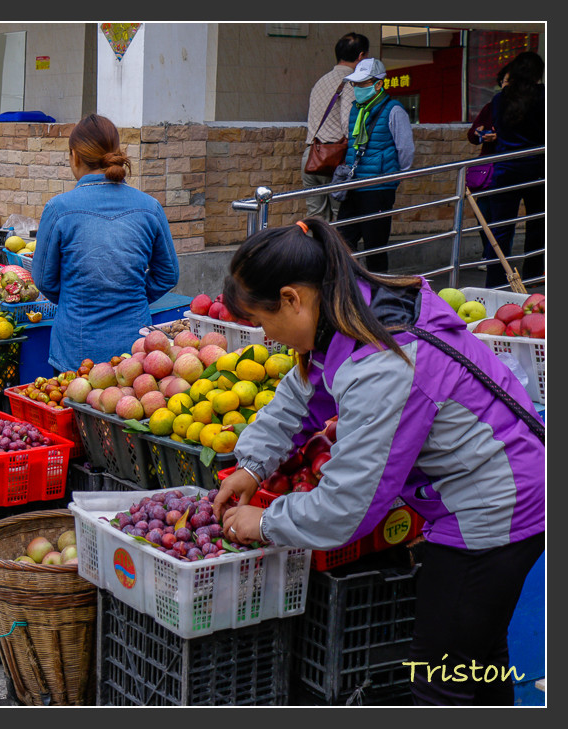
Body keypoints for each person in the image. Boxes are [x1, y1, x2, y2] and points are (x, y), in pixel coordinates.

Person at [211, 217, 544, 706]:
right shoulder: (350, 308)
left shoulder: (383, 359)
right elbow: (301, 394)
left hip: (495, 510)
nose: (270, 338)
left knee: (440, 681)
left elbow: (348, 505)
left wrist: (264, 520)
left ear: (290, 299)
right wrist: (253, 464)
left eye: (263, 323)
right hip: (493, 492)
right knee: (475, 661)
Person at [31, 113, 179, 372]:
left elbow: (44, 281)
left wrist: (76, 298)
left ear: (75, 156)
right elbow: (168, 275)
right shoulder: (149, 208)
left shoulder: (58, 209)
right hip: (135, 354)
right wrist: (130, 294)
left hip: (75, 354)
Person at [335, 57, 414, 274]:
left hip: (378, 188)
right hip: (354, 185)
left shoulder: (394, 110)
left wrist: (392, 178)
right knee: (342, 242)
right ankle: (348, 290)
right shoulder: (356, 108)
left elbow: (405, 150)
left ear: (379, 84)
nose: (357, 88)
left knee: (375, 247)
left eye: (362, 84)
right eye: (355, 84)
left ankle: (378, 294)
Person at [482, 51, 544, 287]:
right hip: (537, 167)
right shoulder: (544, 96)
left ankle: (495, 279)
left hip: (505, 167)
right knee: (537, 224)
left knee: (500, 228)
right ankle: (533, 277)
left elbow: (498, 128)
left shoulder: (500, 98)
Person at [303, 32, 368, 221]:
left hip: (311, 156)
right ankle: (336, 251)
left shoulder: (320, 82)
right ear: (361, 56)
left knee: (315, 219)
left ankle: (314, 251)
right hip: (334, 158)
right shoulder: (351, 83)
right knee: (341, 218)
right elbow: (349, 124)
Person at [465, 61, 512, 221]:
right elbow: (472, 134)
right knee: (483, 216)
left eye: (510, 82)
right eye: (504, 81)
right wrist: (479, 133)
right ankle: (489, 247)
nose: (506, 86)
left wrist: (499, 136)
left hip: (509, 169)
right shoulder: (491, 107)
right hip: (489, 170)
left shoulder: (524, 108)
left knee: (502, 219)